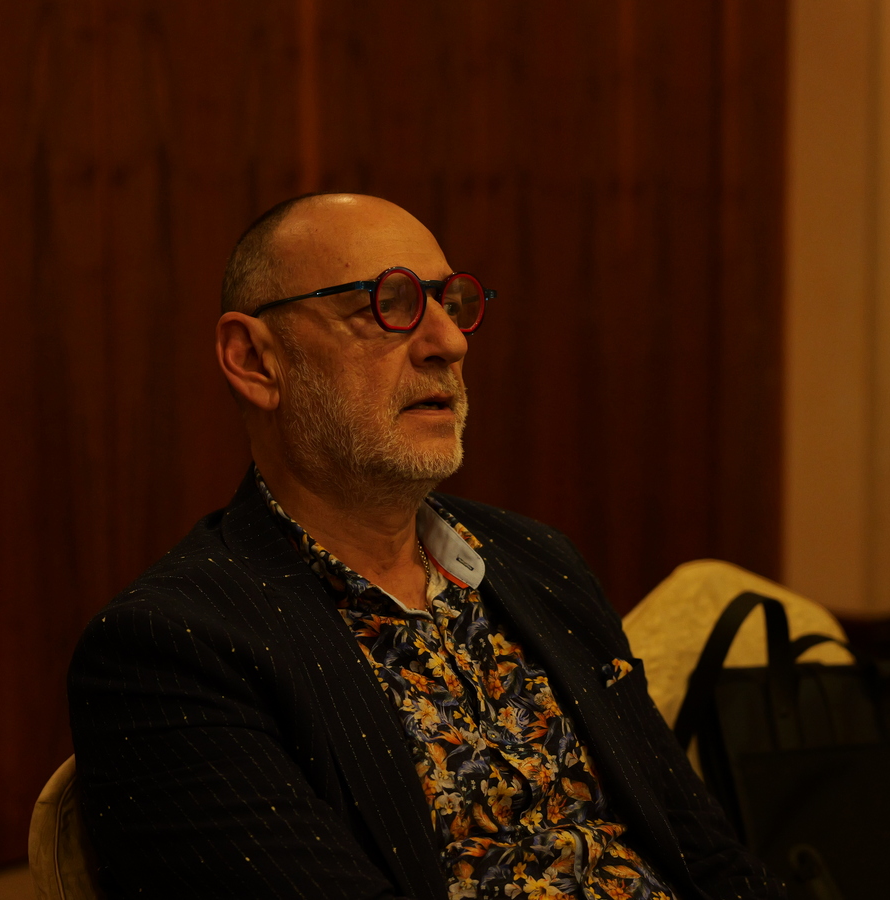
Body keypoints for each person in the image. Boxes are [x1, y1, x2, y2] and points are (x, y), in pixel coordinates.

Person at [68, 193, 785, 900]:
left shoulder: (537, 560)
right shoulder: (169, 649)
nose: (451, 342)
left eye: (451, 303)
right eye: (389, 305)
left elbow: (701, 849)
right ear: (256, 360)